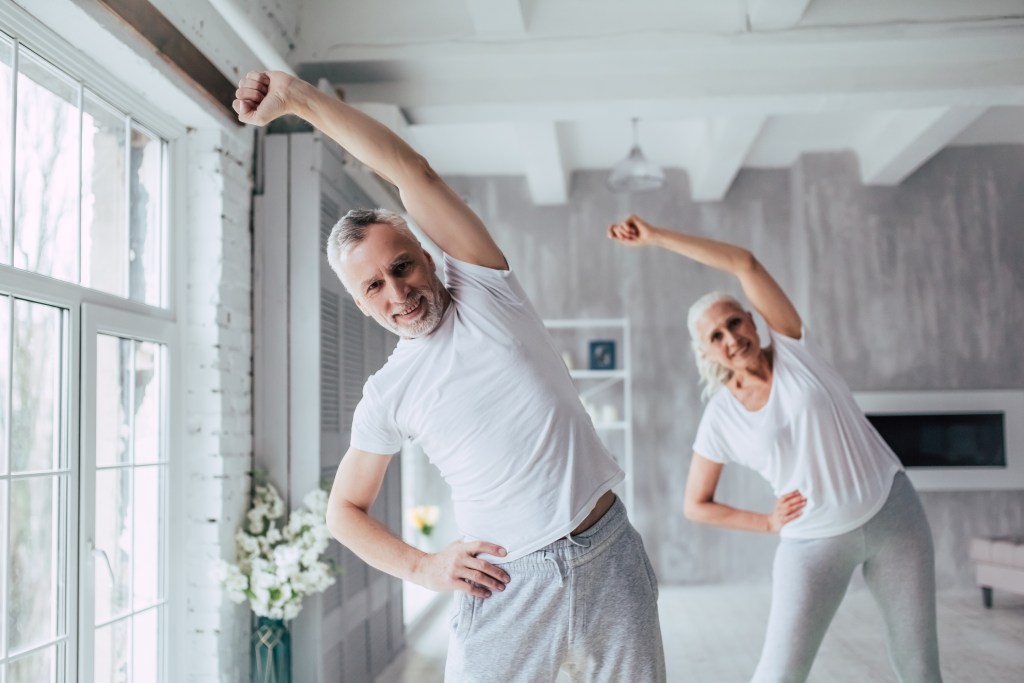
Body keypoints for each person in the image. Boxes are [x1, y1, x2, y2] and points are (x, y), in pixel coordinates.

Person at [233, 73, 666, 682]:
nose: (397, 290)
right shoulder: (388, 393)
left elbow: (414, 172)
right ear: (362, 304)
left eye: (402, 265)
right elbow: (344, 511)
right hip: (506, 583)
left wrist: (299, 99)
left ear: (428, 256)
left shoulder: (487, 292)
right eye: (374, 286)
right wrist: (424, 568)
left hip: (608, 554)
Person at [608, 214, 942, 683]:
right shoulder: (720, 418)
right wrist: (765, 522)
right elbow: (695, 505)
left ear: (753, 320)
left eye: (735, 322)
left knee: (920, 665)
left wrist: (658, 237)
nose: (732, 338)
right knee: (780, 674)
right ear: (705, 353)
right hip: (813, 542)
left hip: (894, 514)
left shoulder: (795, 350)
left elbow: (744, 262)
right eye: (716, 336)